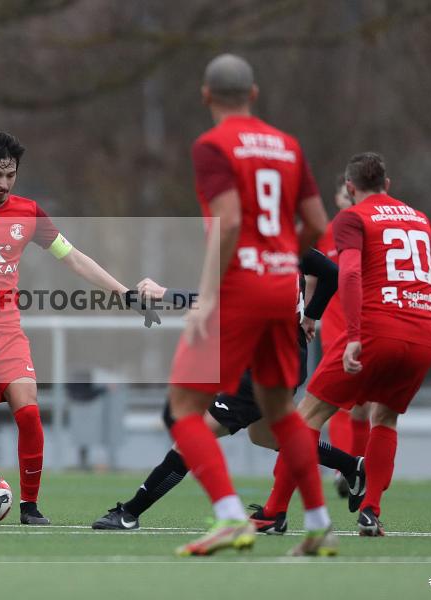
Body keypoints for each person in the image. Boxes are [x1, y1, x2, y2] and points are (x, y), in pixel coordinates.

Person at [0, 131, 158, 526]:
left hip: (7, 332)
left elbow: (73, 258)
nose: (3, 184)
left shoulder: (29, 213)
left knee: (30, 411)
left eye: (11, 175)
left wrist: (123, 293)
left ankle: (29, 508)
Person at [166, 54, 333, 557]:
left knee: (182, 410)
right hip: (281, 292)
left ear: (205, 95)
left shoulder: (212, 145)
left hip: (239, 290)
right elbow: (317, 223)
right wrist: (283, 259)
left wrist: (209, 296)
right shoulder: (288, 146)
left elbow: (230, 222)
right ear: (254, 94)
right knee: (282, 413)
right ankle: (321, 525)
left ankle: (231, 517)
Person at [255, 152, 431, 536]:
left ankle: (274, 512)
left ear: (350, 188)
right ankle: (370, 511)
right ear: (387, 185)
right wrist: (425, 314)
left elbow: (349, 273)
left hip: (375, 331)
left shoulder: (352, 217)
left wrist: (354, 335)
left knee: (306, 417)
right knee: (384, 419)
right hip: (422, 337)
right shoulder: (419, 218)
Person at [92, 249, 366, 532]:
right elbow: (331, 273)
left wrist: (163, 293)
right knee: (265, 436)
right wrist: (310, 316)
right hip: (280, 359)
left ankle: (130, 512)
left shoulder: (254, 251)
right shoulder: (287, 241)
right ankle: (350, 466)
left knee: (191, 437)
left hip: (265, 365)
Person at [319, 175, 372, 498]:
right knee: (339, 404)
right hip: (335, 332)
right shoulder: (326, 235)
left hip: (367, 330)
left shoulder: (369, 232)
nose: (347, 197)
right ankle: (344, 467)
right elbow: (314, 277)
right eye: (342, 193)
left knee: (364, 407)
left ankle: (360, 467)